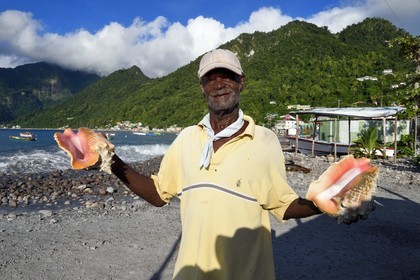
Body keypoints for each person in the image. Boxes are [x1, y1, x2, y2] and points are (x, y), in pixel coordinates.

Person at [109, 49, 324, 279]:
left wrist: (324, 204)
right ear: (202, 88)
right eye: (210, 78)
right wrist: (110, 161)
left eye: (227, 76)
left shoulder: (264, 140)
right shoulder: (187, 139)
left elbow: (283, 204)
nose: (219, 84)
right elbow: (159, 194)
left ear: (242, 82)